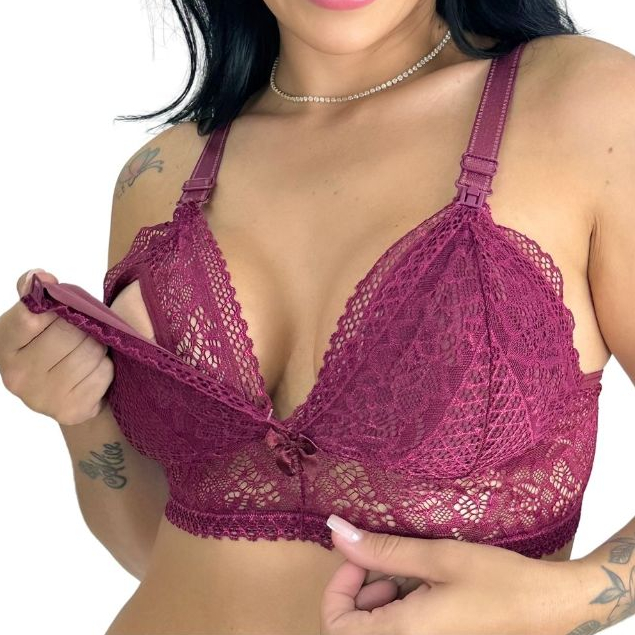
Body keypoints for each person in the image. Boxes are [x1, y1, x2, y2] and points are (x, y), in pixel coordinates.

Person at [1, 1, 635, 634]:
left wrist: (563, 603)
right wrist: (79, 414)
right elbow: (158, 551)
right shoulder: (158, 177)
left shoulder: (586, 105)